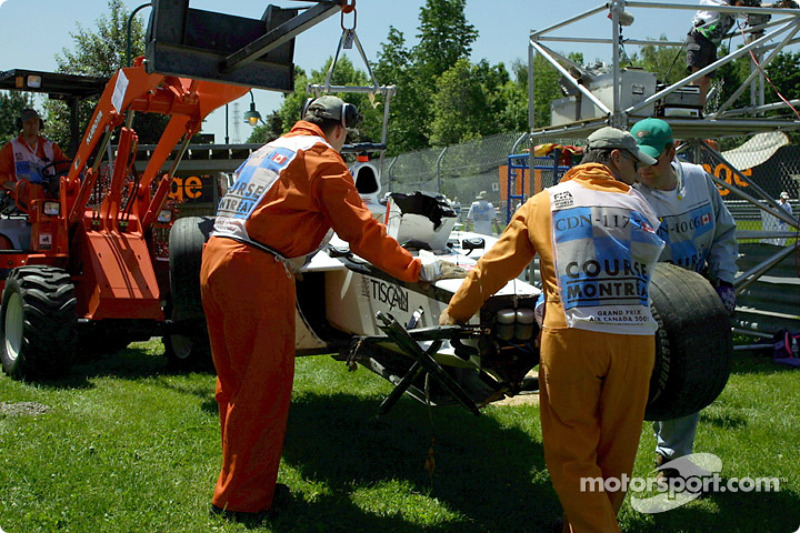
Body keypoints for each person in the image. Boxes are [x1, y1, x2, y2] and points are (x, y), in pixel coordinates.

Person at [200, 96, 445, 523]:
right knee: (264, 385)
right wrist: (413, 266)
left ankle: (237, 480)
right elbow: (362, 233)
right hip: (255, 269)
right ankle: (243, 500)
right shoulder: (323, 158)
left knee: (235, 383)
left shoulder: (269, 148)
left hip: (216, 258)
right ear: (340, 128)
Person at [440, 127, 663, 532]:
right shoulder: (639, 205)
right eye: (634, 163)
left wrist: (457, 312)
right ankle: (585, 523)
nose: (638, 174)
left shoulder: (544, 203)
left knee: (571, 450)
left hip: (573, 336)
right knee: (618, 450)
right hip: (637, 338)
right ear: (614, 158)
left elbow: (495, 266)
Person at [629, 117, 738, 483]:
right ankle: (615, 462)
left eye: (651, 161)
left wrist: (724, 280)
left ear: (671, 151)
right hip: (650, 297)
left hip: (697, 291)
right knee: (644, 379)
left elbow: (724, 232)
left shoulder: (698, 179)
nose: (643, 169)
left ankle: (673, 460)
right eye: (637, 161)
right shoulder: (631, 194)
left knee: (689, 372)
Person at [685, 0, 761, 107]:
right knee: (697, 76)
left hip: (712, 42)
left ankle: (700, 110)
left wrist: (775, 6)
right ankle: (692, 108)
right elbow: (726, 9)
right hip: (700, 36)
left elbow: (743, 11)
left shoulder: (732, 3)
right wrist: (745, 6)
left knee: (706, 80)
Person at [0, 108, 67, 199]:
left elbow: (66, 166)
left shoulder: (51, 147)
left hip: (50, 198)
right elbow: (1, 174)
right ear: (21, 125)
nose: (32, 125)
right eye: (28, 122)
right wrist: (13, 185)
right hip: (22, 199)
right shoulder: (11, 148)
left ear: (40, 124)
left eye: (35, 122)